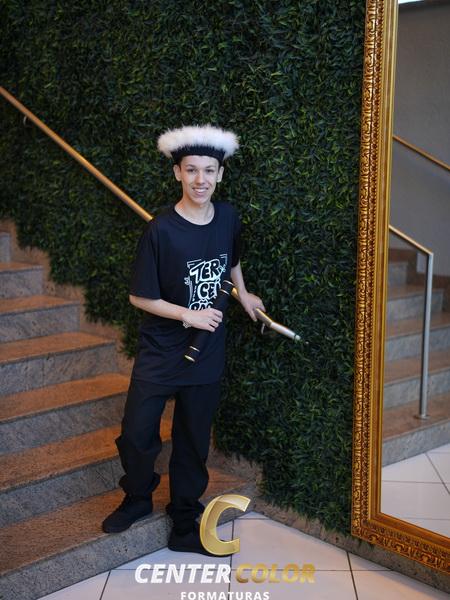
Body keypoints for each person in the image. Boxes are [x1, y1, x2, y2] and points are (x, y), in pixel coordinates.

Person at [102, 125, 265, 555]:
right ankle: (138, 497)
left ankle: (184, 518)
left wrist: (243, 293)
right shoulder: (160, 230)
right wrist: (187, 314)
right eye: (191, 170)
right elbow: (139, 296)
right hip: (160, 351)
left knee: (193, 439)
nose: (200, 179)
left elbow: (231, 260)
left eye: (209, 171)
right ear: (177, 172)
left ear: (220, 175)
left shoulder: (227, 217)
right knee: (136, 433)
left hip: (206, 350)